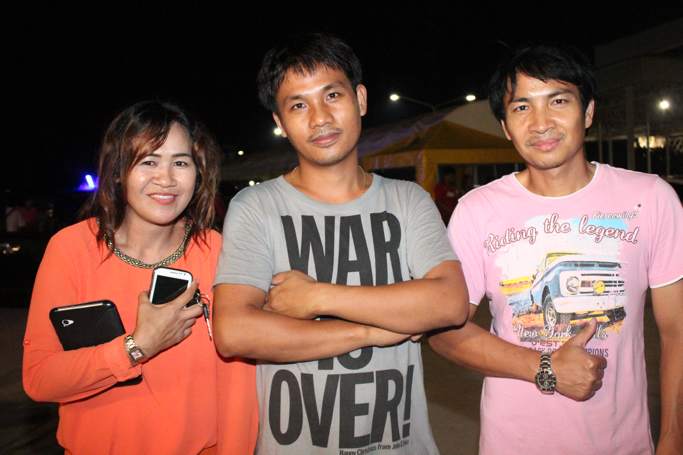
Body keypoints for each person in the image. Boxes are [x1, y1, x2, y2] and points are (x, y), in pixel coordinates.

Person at [212, 33, 469, 454]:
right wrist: (370, 330)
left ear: (360, 99)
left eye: (332, 95)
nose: (320, 118)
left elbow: (450, 302)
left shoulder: (407, 200)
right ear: (280, 122)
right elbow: (234, 331)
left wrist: (317, 297)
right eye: (298, 105)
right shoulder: (257, 206)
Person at [428, 45, 682, 454]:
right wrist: (545, 368)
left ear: (588, 111)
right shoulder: (477, 210)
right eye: (522, 107)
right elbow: (442, 332)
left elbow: (676, 330)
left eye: (558, 101)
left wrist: (672, 438)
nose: (541, 123)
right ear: (505, 126)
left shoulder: (650, 199)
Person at [22, 101, 257, 454]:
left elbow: (240, 382)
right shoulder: (71, 249)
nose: (166, 179)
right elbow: (40, 378)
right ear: (118, 170)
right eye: (148, 161)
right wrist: (136, 346)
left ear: (198, 173)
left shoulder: (217, 251)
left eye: (180, 162)